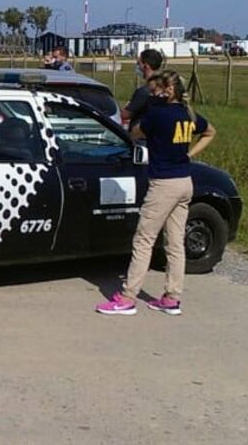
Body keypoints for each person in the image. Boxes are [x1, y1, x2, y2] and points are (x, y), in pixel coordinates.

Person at [96, 70, 216, 317]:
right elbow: (210, 132)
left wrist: (144, 112)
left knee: (144, 240)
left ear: (168, 90)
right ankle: (172, 297)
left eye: (154, 91)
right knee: (174, 242)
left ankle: (128, 297)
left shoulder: (158, 115)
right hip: (184, 181)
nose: (152, 95)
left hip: (163, 184)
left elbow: (135, 133)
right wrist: (190, 154)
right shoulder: (187, 114)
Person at [121, 48, 164, 128]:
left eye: (138, 63)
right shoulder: (165, 87)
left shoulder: (144, 92)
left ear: (146, 66)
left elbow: (125, 115)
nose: (137, 67)